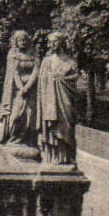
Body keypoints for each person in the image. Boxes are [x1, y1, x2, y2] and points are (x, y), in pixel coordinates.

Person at [36, 32, 80, 165]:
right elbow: (42, 83)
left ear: (61, 42)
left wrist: (62, 79)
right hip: (50, 101)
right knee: (52, 128)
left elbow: (75, 77)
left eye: (55, 41)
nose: (52, 44)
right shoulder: (47, 61)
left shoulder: (70, 61)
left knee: (67, 125)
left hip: (65, 98)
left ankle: (67, 157)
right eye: (50, 42)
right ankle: (53, 157)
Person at [0, 29, 39, 149]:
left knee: (29, 116)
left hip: (31, 91)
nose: (22, 42)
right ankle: (13, 138)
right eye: (20, 40)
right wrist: (21, 88)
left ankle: (27, 141)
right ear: (16, 42)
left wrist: (28, 87)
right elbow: (14, 72)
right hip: (17, 91)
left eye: (24, 40)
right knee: (16, 115)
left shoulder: (34, 55)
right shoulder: (13, 55)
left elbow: (36, 72)